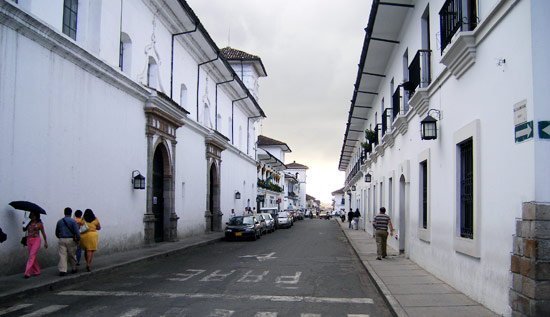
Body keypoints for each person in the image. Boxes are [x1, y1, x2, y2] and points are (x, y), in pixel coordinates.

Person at [55, 207, 79, 276]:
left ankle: (62, 270)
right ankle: (74, 267)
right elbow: (76, 232)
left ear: (64, 213)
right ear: (71, 213)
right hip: (71, 239)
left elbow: (57, 232)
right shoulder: (73, 221)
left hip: (62, 239)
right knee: (72, 254)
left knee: (62, 255)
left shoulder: (59, 221)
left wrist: (60, 237)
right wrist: (78, 239)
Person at [23, 211, 48, 278]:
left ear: (37, 216)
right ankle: (36, 271)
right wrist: (24, 224)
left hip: (36, 240)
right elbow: (24, 230)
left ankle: (27, 272)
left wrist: (45, 241)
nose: (32, 217)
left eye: (34, 215)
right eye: (31, 215)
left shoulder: (39, 224)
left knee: (31, 255)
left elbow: (43, 233)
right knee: (32, 256)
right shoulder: (28, 222)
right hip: (29, 240)